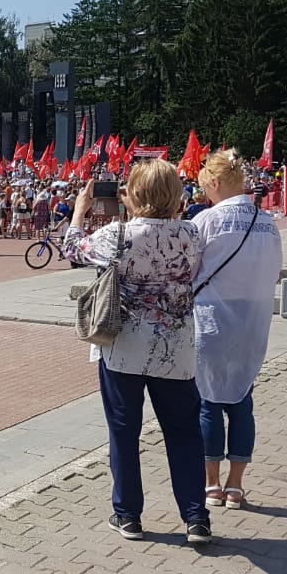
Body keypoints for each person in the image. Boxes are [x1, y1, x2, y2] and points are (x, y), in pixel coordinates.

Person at [62, 158, 212, 545]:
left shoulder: (118, 233)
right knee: (184, 432)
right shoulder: (191, 234)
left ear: (135, 193)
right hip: (176, 347)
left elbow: (72, 250)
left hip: (124, 346)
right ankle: (196, 517)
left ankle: (128, 515)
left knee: (125, 432)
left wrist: (81, 209)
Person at [193, 150, 283, 513]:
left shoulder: (206, 221)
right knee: (242, 401)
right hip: (253, 322)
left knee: (209, 402)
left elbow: (188, 271)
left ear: (214, 184)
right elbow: (275, 271)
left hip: (212, 319)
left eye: (206, 189)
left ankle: (210, 483)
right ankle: (236, 485)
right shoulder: (267, 222)